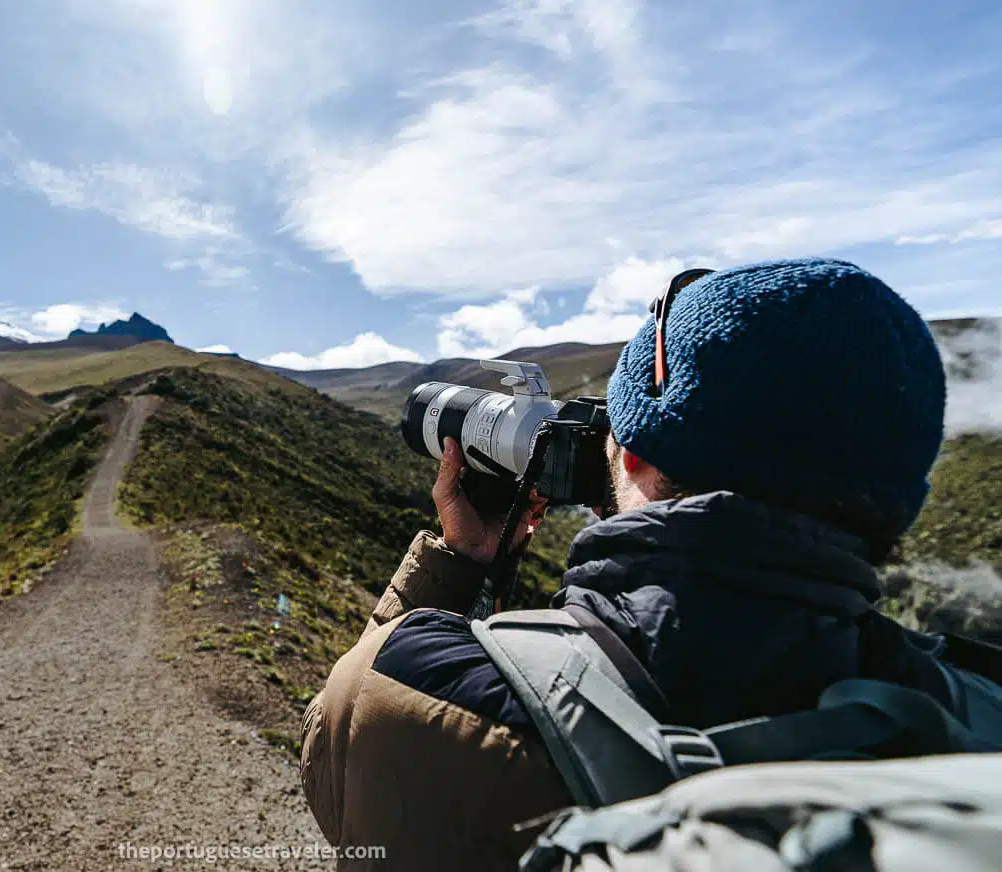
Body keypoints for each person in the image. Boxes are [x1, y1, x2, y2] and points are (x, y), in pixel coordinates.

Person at [299, 258, 958, 870]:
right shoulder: (966, 706)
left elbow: (332, 765)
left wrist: (462, 560)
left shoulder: (422, 685)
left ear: (636, 456)